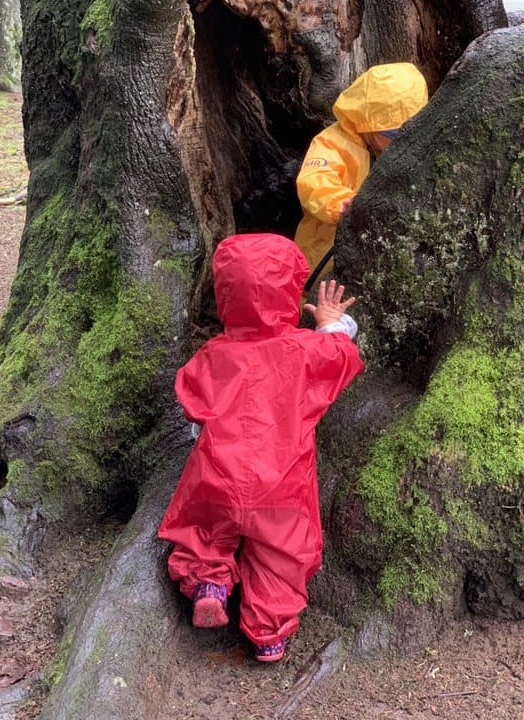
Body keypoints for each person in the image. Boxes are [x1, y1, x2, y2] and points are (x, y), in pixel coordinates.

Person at [158, 233, 363, 663]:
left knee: (204, 531)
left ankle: (208, 583)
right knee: (281, 556)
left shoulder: (216, 354)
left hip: (218, 470)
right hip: (282, 482)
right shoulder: (304, 351)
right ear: (291, 291)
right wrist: (331, 322)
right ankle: (269, 632)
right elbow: (340, 355)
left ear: (224, 295)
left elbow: (189, 396)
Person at [295, 62, 429, 282]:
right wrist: (342, 203)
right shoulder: (332, 143)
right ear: (370, 125)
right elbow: (314, 183)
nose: (402, 141)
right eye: (394, 134)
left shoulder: (408, 149)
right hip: (323, 260)